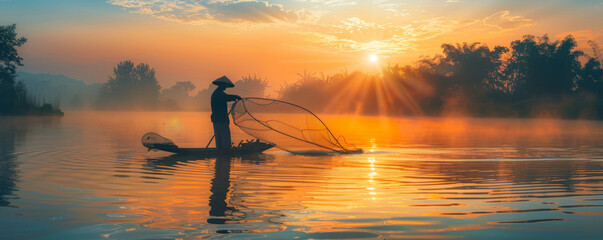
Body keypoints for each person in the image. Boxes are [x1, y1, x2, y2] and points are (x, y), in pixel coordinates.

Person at [211, 76, 242, 150]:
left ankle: (221, 155)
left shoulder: (217, 93)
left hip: (217, 119)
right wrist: (236, 96)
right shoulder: (218, 94)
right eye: (225, 85)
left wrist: (235, 97)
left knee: (219, 140)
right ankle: (225, 154)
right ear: (221, 85)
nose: (225, 87)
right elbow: (227, 97)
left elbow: (227, 97)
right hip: (221, 120)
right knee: (225, 140)